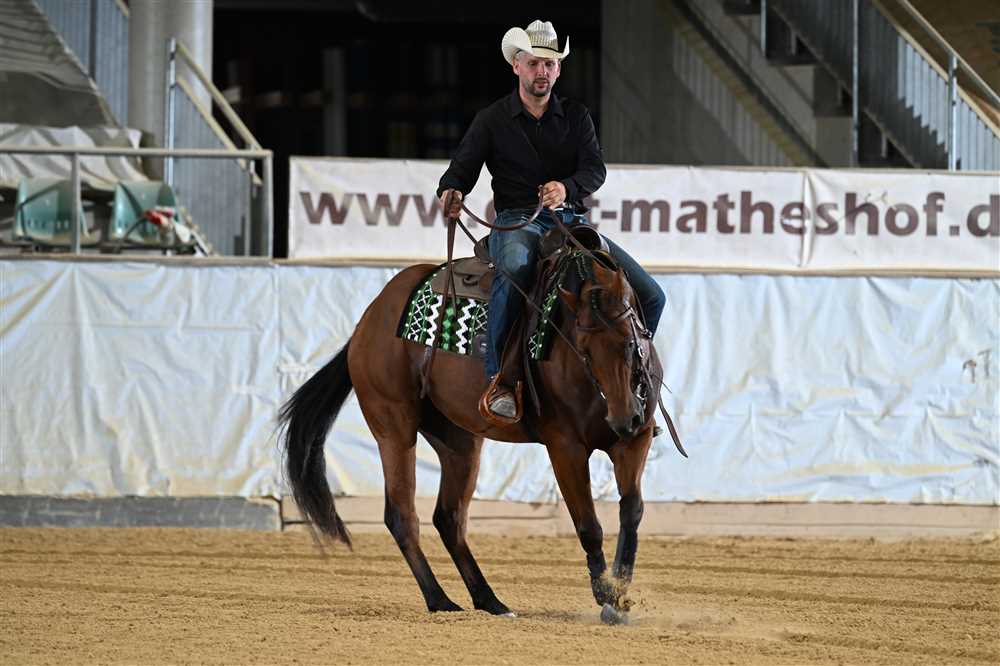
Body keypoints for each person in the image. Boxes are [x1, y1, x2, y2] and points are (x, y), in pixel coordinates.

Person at [438, 19, 665, 423]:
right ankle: (501, 379)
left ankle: (632, 381)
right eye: (533, 63)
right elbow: (462, 169)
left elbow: (594, 170)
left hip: (570, 223)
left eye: (549, 64)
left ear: (558, 70)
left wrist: (567, 187)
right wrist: (452, 191)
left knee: (651, 296)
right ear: (517, 66)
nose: (541, 71)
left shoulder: (576, 116)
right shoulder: (492, 119)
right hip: (517, 220)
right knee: (514, 269)